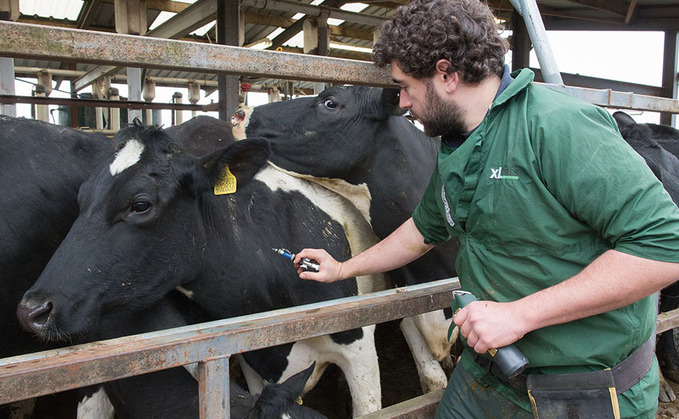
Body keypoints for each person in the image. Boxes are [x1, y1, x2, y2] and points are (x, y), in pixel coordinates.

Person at [294, 0, 679, 417]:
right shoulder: (458, 142)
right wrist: (343, 269)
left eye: (405, 85)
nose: (403, 101)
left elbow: (666, 248)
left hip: (581, 391)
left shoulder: (558, 126)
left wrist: (520, 314)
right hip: (487, 371)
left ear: (447, 74)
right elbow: (421, 231)